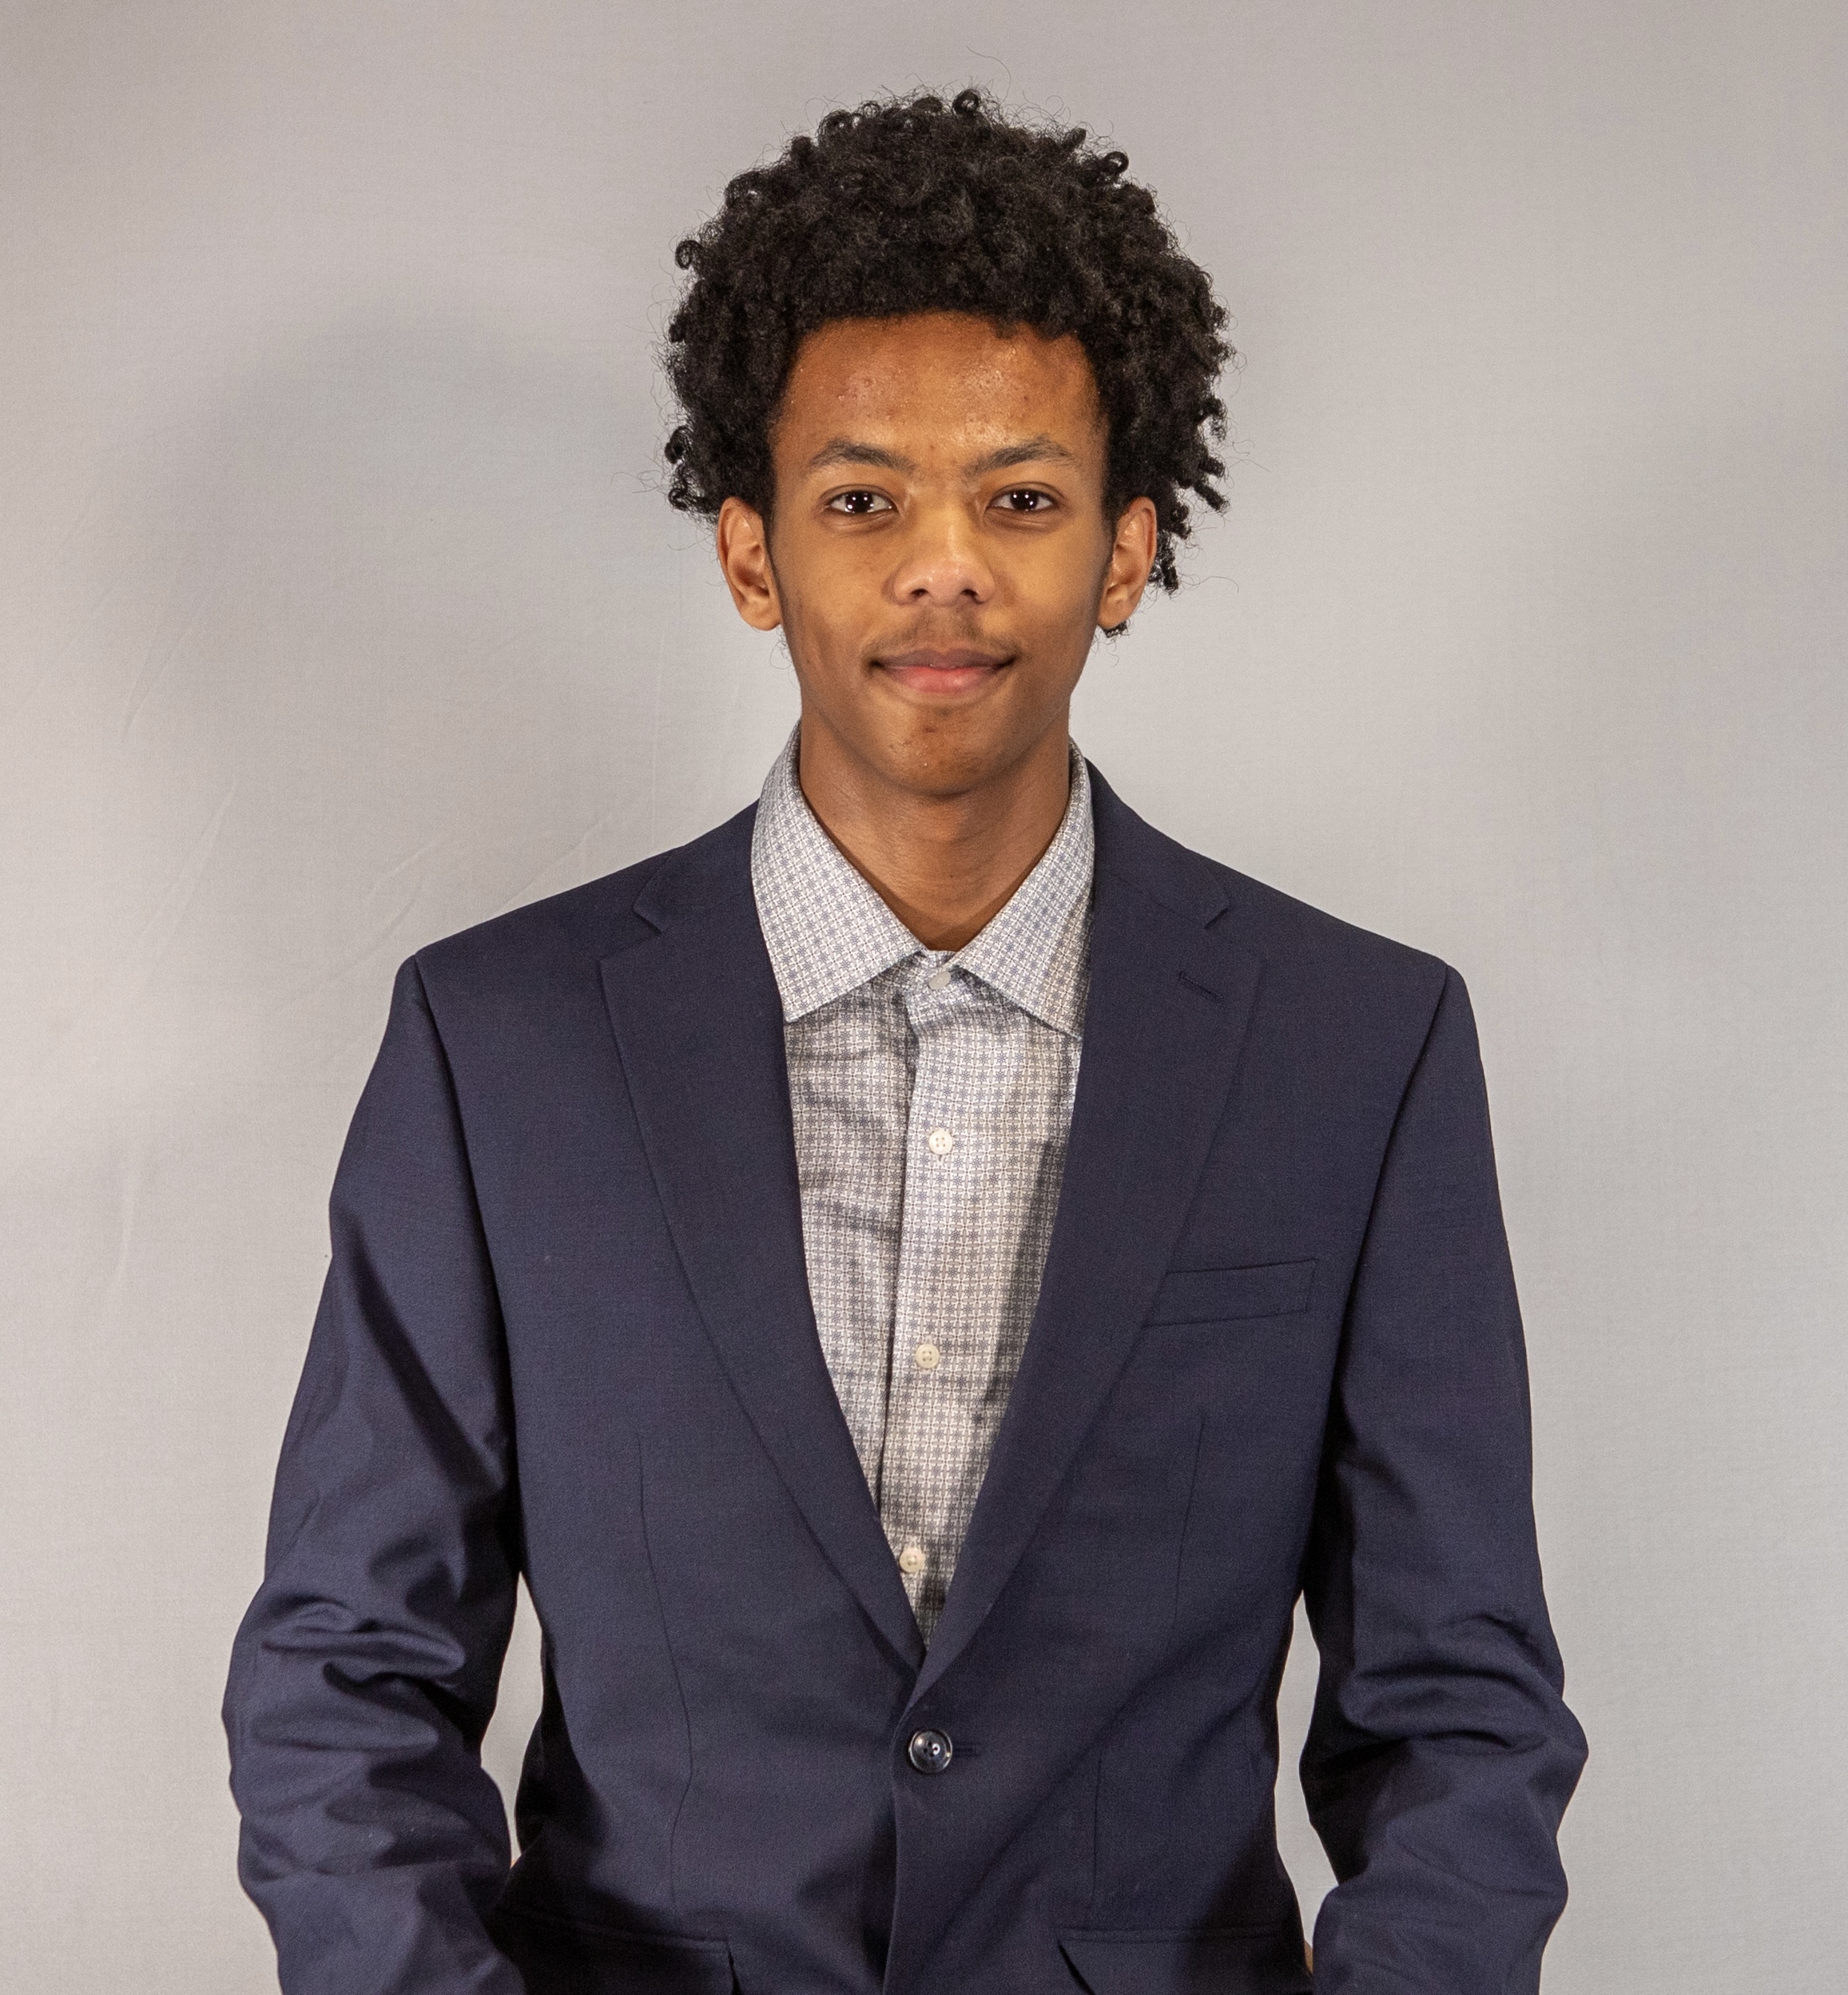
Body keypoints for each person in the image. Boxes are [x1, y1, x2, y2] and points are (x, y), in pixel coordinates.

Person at [225, 88, 1586, 1995]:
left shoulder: (1354, 1051)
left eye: (1019, 500)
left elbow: (1455, 1715)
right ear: (751, 555)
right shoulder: (499, 1045)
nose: (942, 567)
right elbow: (344, 1676)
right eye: (861, 500)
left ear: (1125, 550)